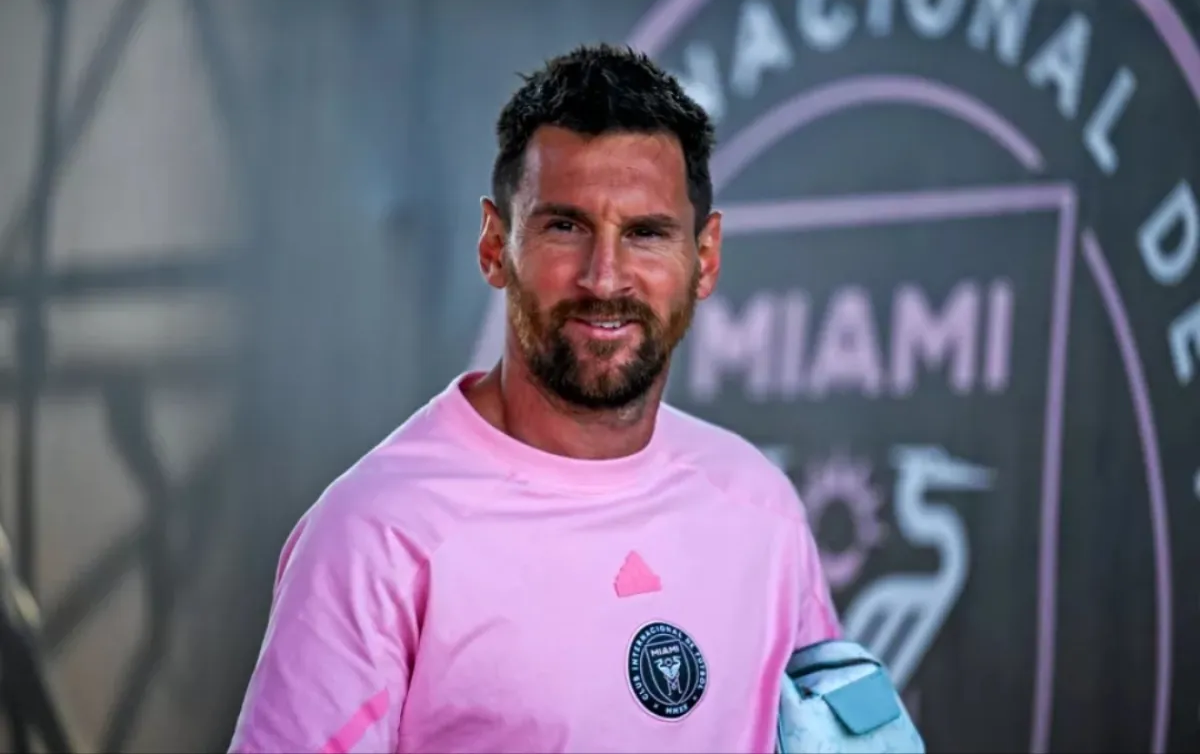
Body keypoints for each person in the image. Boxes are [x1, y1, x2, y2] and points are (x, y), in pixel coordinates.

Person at [229, 43, 840, 754]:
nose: (605, 278)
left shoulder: (759, 508)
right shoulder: (376, 534)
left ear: (703, 258)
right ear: (495, 246)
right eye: (565, 227)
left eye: (646, 233)